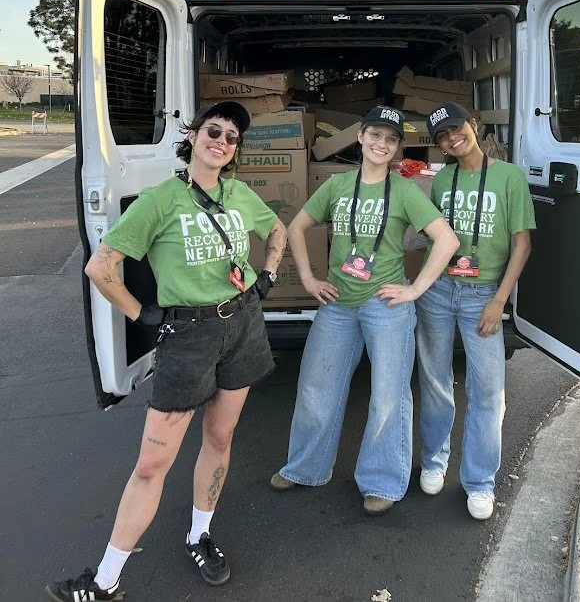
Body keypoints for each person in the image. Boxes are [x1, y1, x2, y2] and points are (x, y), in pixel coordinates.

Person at [46, 101, 287, 601]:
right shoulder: (160, 200)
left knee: (220, 439)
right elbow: (101, 267)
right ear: (193, 136)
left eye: (232, 138)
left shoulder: (240, 193)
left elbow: (277, 230)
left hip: (242, 324)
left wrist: (268, 275)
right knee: (152, 465)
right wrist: (140, 312)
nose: (221, 141)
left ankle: (199, 536)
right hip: (188, 337)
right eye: (213, 131)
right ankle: (105, 580)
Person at [270, 106, 459, 516]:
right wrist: (307, 279)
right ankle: (305, 467)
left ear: (395, 148)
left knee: (389, 395)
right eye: (375, 135)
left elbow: (446, 241)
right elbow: (296, 227)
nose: (381, 144)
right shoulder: (338, 186)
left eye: (391, 140)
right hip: (338, 303)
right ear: (360, 137)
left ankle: (383, 483)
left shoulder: (405, 190)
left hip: (385, 305)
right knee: (316, 387)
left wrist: (415, 290)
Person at [416, 102, 535, 520]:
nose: (452, 138)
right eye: (442, 136)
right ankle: (434, 460)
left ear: (474, 125)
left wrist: (499, 300)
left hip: (481, 294)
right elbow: (430, 235)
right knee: (434, 380)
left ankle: (480, 481)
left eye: (456, 128)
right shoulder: (442, 178)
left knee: (486, 390)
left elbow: (522, 244)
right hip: (439, 289)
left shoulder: (509, 177)